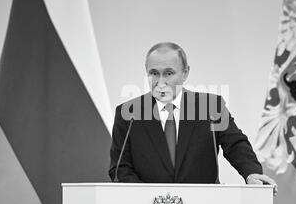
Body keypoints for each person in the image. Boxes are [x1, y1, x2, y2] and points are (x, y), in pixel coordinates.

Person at [109, 42, 277, 194]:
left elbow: (235, 145)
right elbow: (120, 168)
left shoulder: (211, 107)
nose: (161, 81)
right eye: (154, 73)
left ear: (185, 73)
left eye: (168, 73)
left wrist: (251, 173)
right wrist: (150, 198)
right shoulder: (128, 114)